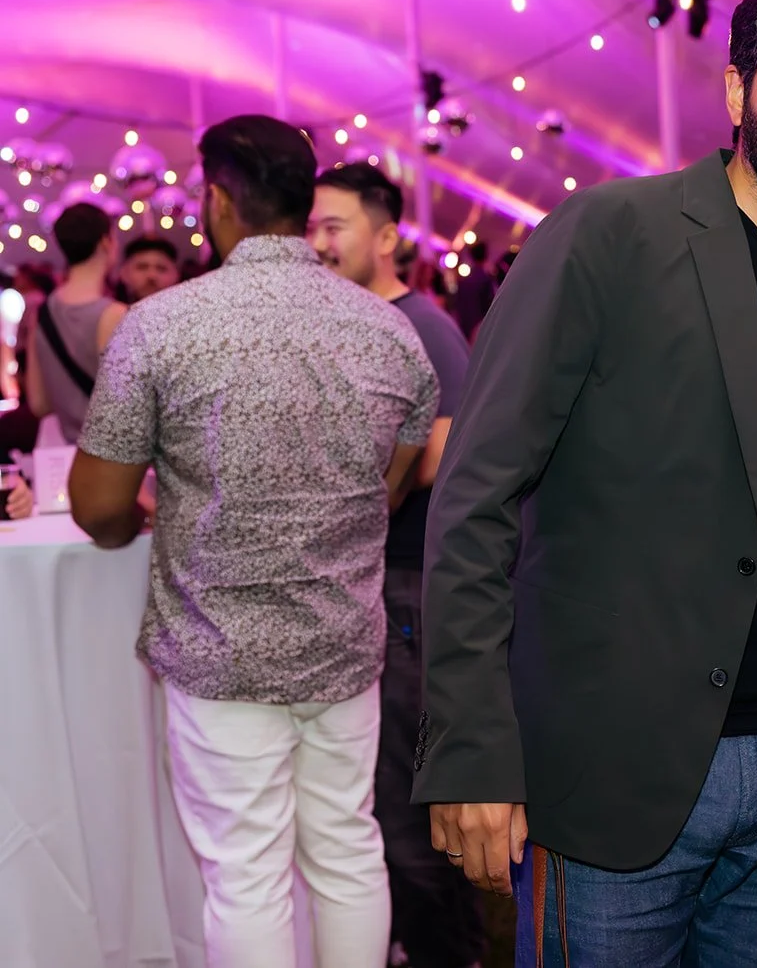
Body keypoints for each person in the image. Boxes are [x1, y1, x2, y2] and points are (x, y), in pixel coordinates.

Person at [413, 0, 757, 966]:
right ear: (736, 91)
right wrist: (469, 745)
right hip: (613, 771)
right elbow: (474, 494)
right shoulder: (610, 236)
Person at [67, 114, 440, 968]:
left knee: (245, 875)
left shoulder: (162, 327)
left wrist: (145, 516)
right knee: (348, 848)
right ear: (306, 205)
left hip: (221, 646)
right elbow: (391, 482)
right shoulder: (389, 331)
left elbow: (95, 505)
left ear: (216, 200)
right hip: (341, 644)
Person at [309, 163, 483, 968]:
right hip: (360, 586)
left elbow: (445, 460)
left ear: (385, 236)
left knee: (408, 808)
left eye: (333, 225)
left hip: (409, 583)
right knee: (370, 801)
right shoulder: (334, 322)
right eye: (310, 223)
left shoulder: (422, 325)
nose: (317, 240)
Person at [25, 203, 126, 443]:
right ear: (105, 241)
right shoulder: (114, 314)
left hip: (70, 459)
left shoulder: (41, 314)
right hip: (114, 463)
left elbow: (39, 404)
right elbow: (127, 409)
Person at [118, 235, 182, 303]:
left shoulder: (190, 312)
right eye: (142, 267)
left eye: (161, 268)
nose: (152, 276)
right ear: (124, 274)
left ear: (176, 275)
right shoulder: (108, 311)